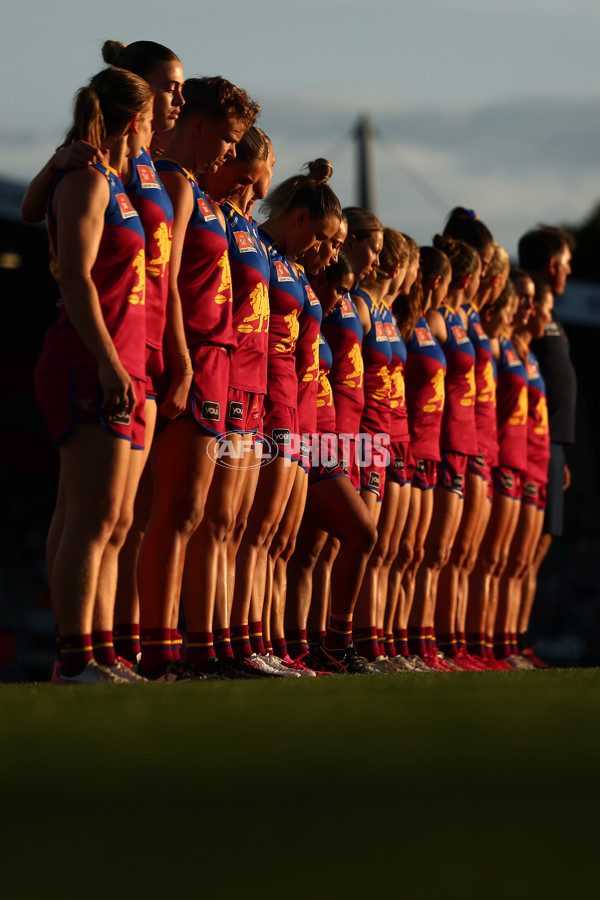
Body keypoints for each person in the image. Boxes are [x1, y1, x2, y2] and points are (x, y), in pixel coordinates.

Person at [33, 66, 154, 683]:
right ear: (133, 122)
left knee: (113, 519)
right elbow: (76, 277)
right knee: (91, 515)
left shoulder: (114, 181)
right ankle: (75, 659)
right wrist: (108, 360)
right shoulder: (85, 179)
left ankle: (102, 655)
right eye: (152, 119)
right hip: (88, 361)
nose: (157, 131)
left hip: (121, 362)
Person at [136, 76, 259, 680]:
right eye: (229, 139)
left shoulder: (201, 194)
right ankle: (158, 652)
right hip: (189, 357)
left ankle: (173, 648)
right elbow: (165, 278)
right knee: (176, 510)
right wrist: (181, 361)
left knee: (190, 512)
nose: (231, 153)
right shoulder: (177, 183)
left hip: (214, 360)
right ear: (202, 125)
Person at [518, 225, 576, 662]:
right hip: (530, 445)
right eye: (567, 264)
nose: (569, 272)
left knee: (538, 549)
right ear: (553, 265)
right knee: (523, 550)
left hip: (554, 446)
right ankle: (500, 642)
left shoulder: (551, 313)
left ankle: (515, 641)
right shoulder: (528, 311)